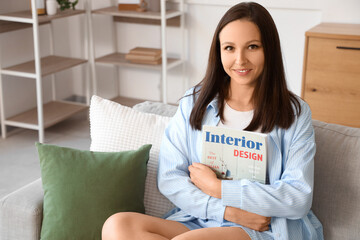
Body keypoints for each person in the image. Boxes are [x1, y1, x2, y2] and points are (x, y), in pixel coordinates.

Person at [102, 2, 324, 240]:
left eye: (252, 47)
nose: (240, 60)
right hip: (202, 217)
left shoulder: (295, 113)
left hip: (262, 227)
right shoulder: (193, 103)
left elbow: (298, 197)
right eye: (229, 48)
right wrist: (227, 211)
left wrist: (220, 188)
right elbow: (170, 178)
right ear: (219, 52)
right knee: (118, 225)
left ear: (269, 49)